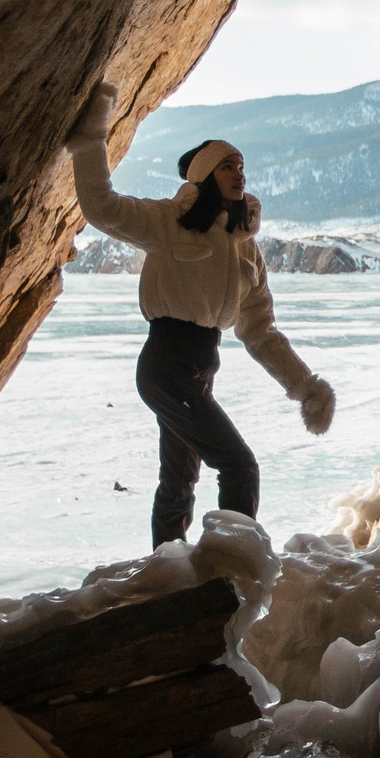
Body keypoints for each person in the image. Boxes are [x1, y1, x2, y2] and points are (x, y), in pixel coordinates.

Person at [64, 81, 336, 545]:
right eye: (228, 166)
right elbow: (102, 208)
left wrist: (306, 387)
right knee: (239, 466)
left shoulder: (246, 250)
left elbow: (261, 333)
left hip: (201, 370)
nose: (239, 174)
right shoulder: (169, 222)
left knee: (179, 479)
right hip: (166, 366)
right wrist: (91, 141)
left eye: (242, 166)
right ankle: (232, 566)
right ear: (205, 176)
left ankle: (167, 566)